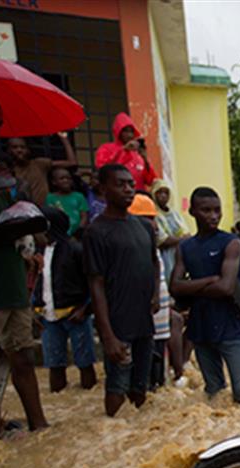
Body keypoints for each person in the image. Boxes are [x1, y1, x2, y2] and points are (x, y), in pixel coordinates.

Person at [0, 127, 50, 451]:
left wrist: (28, 251)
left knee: (23, 357)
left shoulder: (2, 187)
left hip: (13, 286)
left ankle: (40, 425)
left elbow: (11, 230)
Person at [83, 164, 159, 417]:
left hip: (144, 323)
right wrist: (107, 336)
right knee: (117, 388)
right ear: (103, 190)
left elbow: (154, 261)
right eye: (120, 184)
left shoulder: (144, 227)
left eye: (130, 184)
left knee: (141, 388)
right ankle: (111, 434)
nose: (128, 189)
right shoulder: (97, 231)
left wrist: (156, 294)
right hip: (118, 325)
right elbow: (96, 284)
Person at [170, 187, 240, 406]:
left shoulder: (232, 242)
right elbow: (174, 286)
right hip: (201, 328)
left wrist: (190, 286)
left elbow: (226, 288)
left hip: (231, 326)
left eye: (217, 210)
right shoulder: (185, 247)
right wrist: (209, 280)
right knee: (214, 394)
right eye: (206, 210)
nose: (214, 216)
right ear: (193, 212)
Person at [33, 206, 96, 392]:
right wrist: (35, 307)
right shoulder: (39, 252)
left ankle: (88, 396)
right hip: (47, 316)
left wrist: (85, 308)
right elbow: (36, 282)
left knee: (85, 362)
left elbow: (92, 283)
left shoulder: (75, 249)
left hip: (75, 313)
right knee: (54, 364)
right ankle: (58, 396)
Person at [128, 192, 173, 389]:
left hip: (160, 318)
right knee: (143, 364)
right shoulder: (132, 247)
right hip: (143, 319)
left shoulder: (151, 245)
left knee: (158, 364)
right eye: (147, 219)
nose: (153, 225)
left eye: (153, 219)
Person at [5, 133, 78, 207]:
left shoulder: (39, 164)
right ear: (9, 150)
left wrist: (64, 139)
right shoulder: (7, 171)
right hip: (22, 212)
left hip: (44, 210)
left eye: (23, 147)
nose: (19, 150)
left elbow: (71, 162)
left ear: (28, 150)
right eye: (15, 147)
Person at [94, 113, 156, 192]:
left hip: (137, 199)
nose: (129, 135)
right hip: (116, 197)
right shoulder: (106, 148)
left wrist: (145, 160)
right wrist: (124, 149)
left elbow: (151, 181)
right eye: (125, 131)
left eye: (131, 132)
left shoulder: (138, 155)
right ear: (118, 132)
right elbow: (102, 168)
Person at [151, 178, 189, 276]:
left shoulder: (174, 213)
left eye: (166, 193)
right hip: (164, 256)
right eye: (160, 192)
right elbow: (162, 240)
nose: (163, 196)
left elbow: (186, 232)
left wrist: (181, 238)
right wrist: (182, 239)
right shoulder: (154, 214)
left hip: (178, 253)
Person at [45, 167, 88, 236]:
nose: (66, 180)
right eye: (62, 178)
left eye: (69, 178)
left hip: (77, 234)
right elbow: (51, 217)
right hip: (60, 233)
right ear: (54, 182)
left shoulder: (79, 196)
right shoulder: (50, 197)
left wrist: (80, 229)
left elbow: (84, 216)